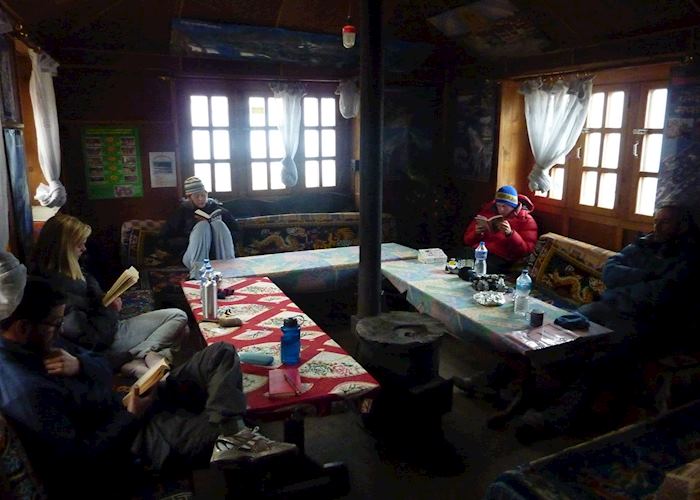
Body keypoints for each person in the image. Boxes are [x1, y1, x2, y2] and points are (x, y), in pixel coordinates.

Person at [0, 276, 296, 498]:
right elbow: (80, 463)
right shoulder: (27, 390)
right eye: (54, 323)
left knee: (221, 352)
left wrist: (81, 366)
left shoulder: (43, 344)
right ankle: (251, 450)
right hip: (133, 438)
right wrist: (131, 415)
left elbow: (101, 363)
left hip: (131, 401)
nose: (59, 329)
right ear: (23, 327)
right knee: (236, 426)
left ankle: (233, 433)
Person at [30, 212, 190, 377]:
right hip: (109, 340)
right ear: (65, 248)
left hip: (109, 328)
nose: (84, 249)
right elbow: (90, 339)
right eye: (79, 245)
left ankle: (139, 361)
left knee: (182, 330)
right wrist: (110, 309)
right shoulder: (56, 289)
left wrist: (105, 299)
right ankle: (139, 355)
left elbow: (90, 307)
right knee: (178, 317)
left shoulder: (69, 271)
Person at [159, 176, 237, 275]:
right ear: (189, 197)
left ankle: (228, 269)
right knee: (202, 226)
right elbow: (164, 240)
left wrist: (214, 235)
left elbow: (237, 232)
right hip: (192, 256)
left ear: (207, 194)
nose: (201, 199)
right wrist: (192, 238)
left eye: (203, 195)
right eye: (196, 196)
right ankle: (198, 273)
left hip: (217, 254)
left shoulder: (217, 209)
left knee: (218, 224)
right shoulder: (181, 212)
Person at [463, 185, 538, 273]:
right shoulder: (487, 212)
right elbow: (467, 240)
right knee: (460, 257)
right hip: (478, 252)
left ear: (513, 205)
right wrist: (477, 233)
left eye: (504, 206)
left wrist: (511, 234)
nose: (501, 209)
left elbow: (525, 252)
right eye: (498, 205)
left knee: (475, 267)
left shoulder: (526, 220)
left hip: (501, 258)